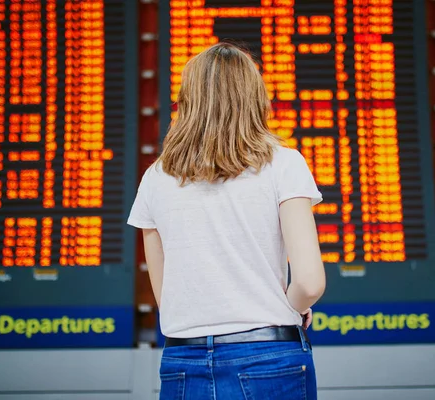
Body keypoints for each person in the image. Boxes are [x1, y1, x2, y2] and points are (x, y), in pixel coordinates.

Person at [128, 42, 326, 400]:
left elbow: (167, 294)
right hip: (269, 356)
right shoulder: (284, 163)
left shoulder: (156, 177)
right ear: (253, 97)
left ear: (187, 101)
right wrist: (283, 309)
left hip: (181, 361)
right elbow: (309, 283)